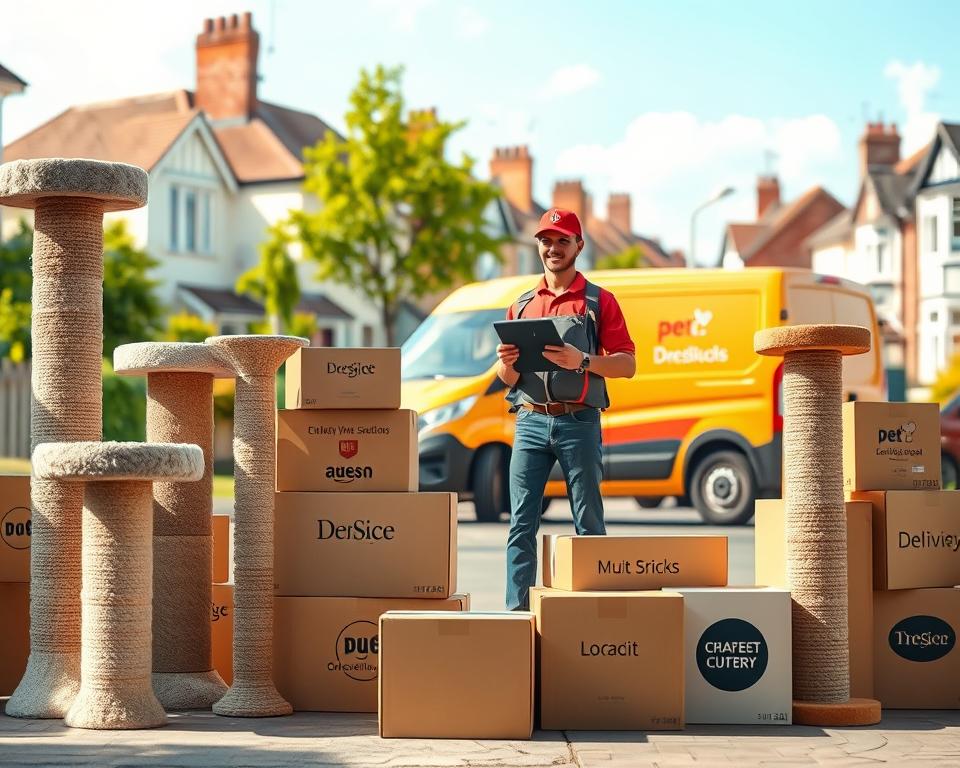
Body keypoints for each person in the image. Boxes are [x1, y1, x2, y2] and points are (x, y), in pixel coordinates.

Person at [497, 208, 636, 611]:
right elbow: (506, 379)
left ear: (579, 245)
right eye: (546, 240)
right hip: (530, 422)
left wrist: (583, 360)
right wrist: (505, 363)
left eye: (562, 240)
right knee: (520, 525)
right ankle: (517, 616)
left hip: (579, 422)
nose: (553, 248)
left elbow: (627, 364)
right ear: (537, 245)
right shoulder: (521, 305)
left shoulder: (599, 301)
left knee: (588, 525)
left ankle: (591, 614)